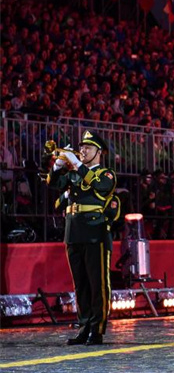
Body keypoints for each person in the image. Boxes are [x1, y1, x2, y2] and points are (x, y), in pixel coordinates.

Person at [48, 130, 120, 345]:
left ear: (99, 152)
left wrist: (77, 166)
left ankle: (97, 329)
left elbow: (101, 188)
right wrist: (57, 168)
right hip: (74, 231)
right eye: (81, 147)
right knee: (80, 284)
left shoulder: (106, 174)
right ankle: (84, 327)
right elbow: (54, 184)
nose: (82, 150)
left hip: (94, 232)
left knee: (97, 283)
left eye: (88, 147)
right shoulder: (73, 174)